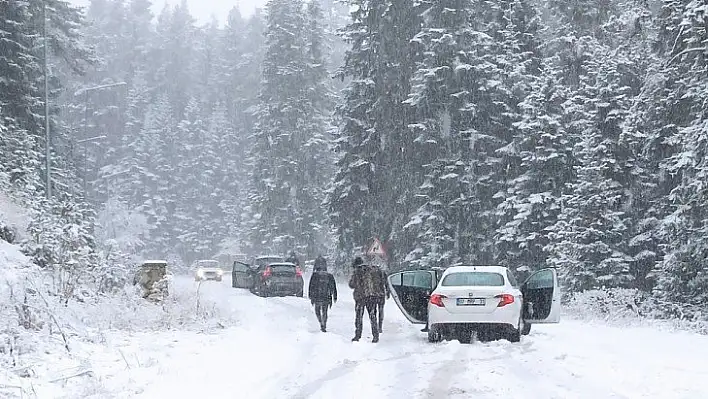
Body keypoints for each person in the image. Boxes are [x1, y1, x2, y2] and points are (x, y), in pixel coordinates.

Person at [348, 256, 386, 343]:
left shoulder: (357, 271)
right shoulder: (371, 270)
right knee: (372, 316)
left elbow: (351, 285)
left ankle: (358, 335)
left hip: (360, 297)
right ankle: (375, 336)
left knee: (359, 317)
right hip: (371, 296)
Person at [308, 255, 337, 332]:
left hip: (317, 296)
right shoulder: (329, 276)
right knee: (325, 311)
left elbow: (311, 286)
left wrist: (311, 295)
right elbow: (333, 286)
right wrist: (334, 296)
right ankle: (324, 324)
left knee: (317, 310)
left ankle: (321, 322)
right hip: (326, 296)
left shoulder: (314, 276)